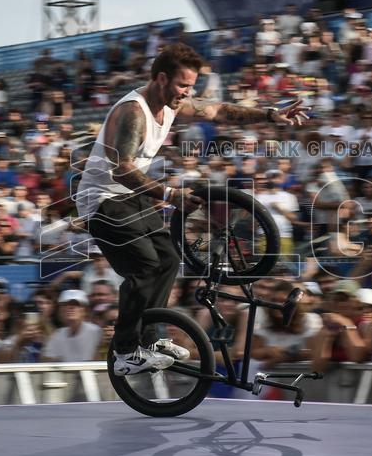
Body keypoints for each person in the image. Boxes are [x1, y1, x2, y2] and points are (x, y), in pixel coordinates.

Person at [75, 43, 308, 375]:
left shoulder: (172, 105)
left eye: (191, 87)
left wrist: (271, 114)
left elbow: (220, 110)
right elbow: (122, 170)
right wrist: (170, 194)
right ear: (160, 79)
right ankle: (125, 351)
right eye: (182, 85)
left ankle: (153, 338)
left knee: (169, 260)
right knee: (144, 267)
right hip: (101, 201)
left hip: (131, 196)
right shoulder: (133, 112)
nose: (187, 93)